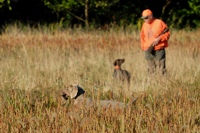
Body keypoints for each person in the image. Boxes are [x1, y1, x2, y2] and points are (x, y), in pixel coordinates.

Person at [140, 9, 170, 75]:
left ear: (151, 16)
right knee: (151, 69)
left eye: (146, 18)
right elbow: (142, 36)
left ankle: (162, 83)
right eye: (143, 18)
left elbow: (167, 34)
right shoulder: (144, 25)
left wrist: (159, 38)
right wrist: (144, 47)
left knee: (161, 69)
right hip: (148, 49)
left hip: (159, 49)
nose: (145, 19)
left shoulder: (159, 22)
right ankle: (152, 83)